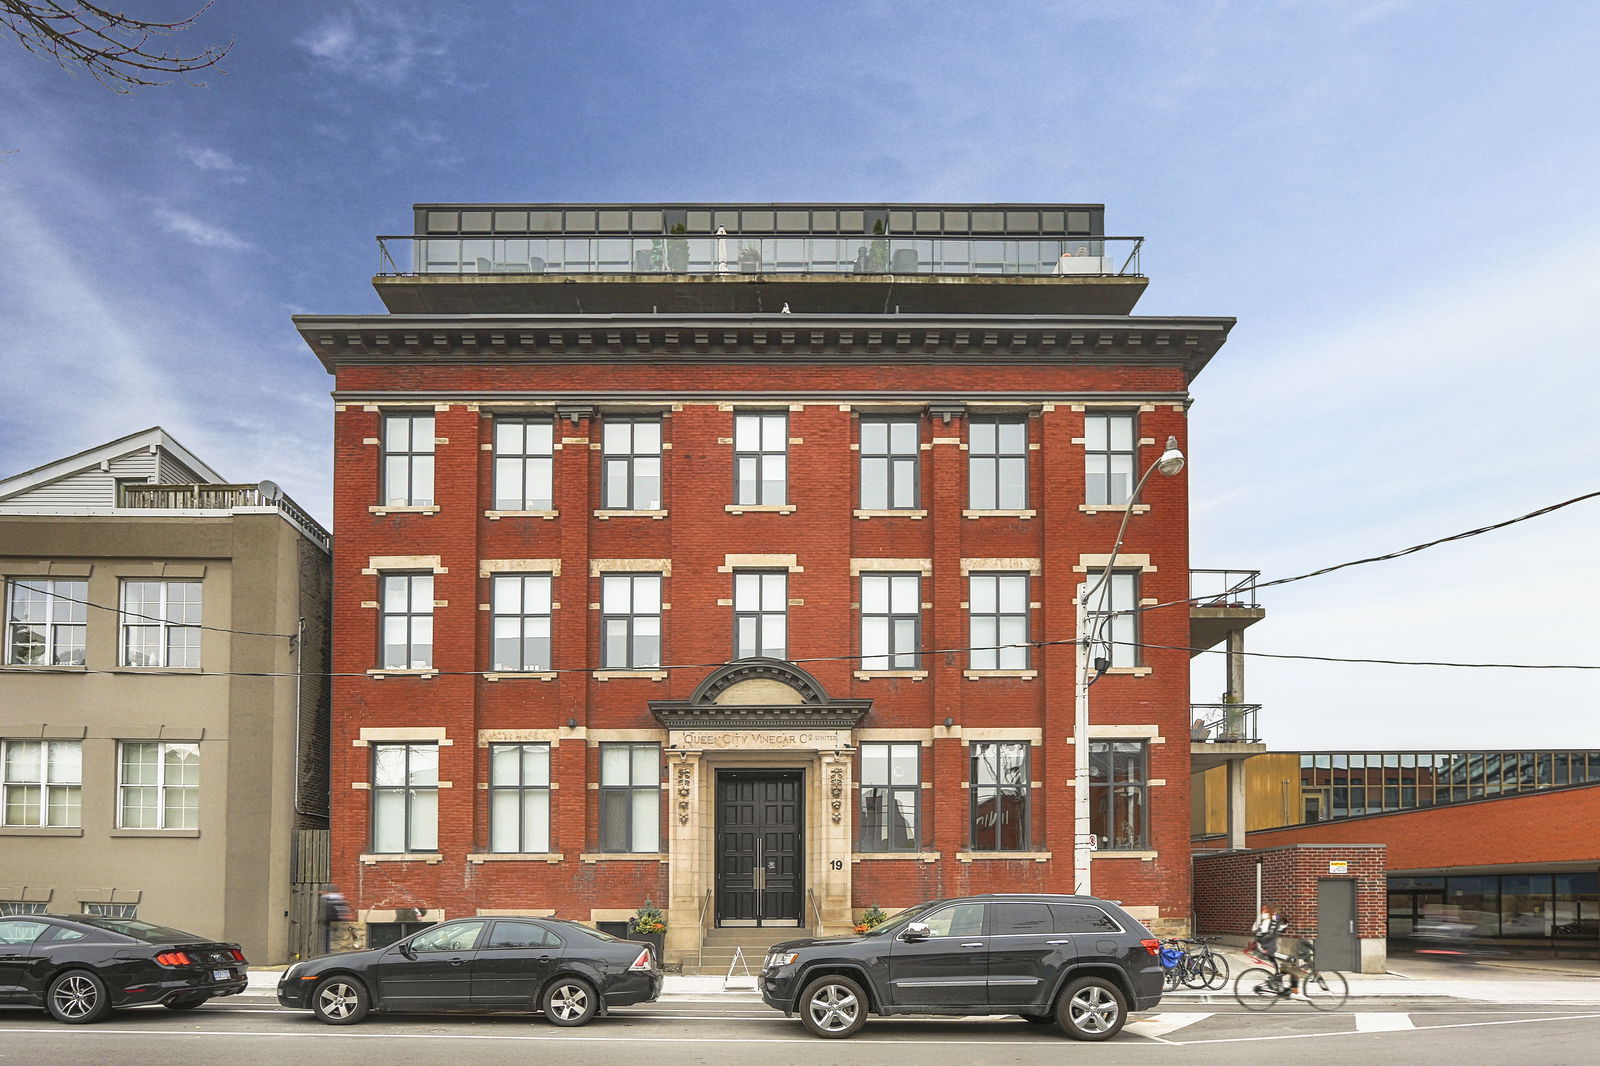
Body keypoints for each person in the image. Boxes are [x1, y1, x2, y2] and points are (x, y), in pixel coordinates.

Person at [1251, 907, 1306, 999]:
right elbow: (1270, 933)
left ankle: (1280, 985)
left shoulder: (1265, 922)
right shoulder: (1270, 923)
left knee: (1283, 968)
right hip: (1268, 950)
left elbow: (1258, 934)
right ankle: (1295, 991)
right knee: (1293, 965)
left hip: (1266, 950)